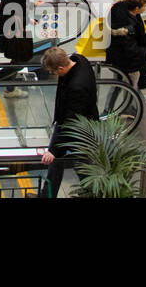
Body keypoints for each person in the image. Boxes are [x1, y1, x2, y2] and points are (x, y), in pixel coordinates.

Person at [41, 46, 99, 198]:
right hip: (70, 122)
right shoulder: (79, 59)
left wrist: (54, 150)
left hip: (80, 131)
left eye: (54, 72)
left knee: (82, 166)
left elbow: (71, 122)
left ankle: (93, 193)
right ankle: (47, 195)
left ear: (60, 68)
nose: (54, 75)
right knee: (55, 163)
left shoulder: (77, 87)